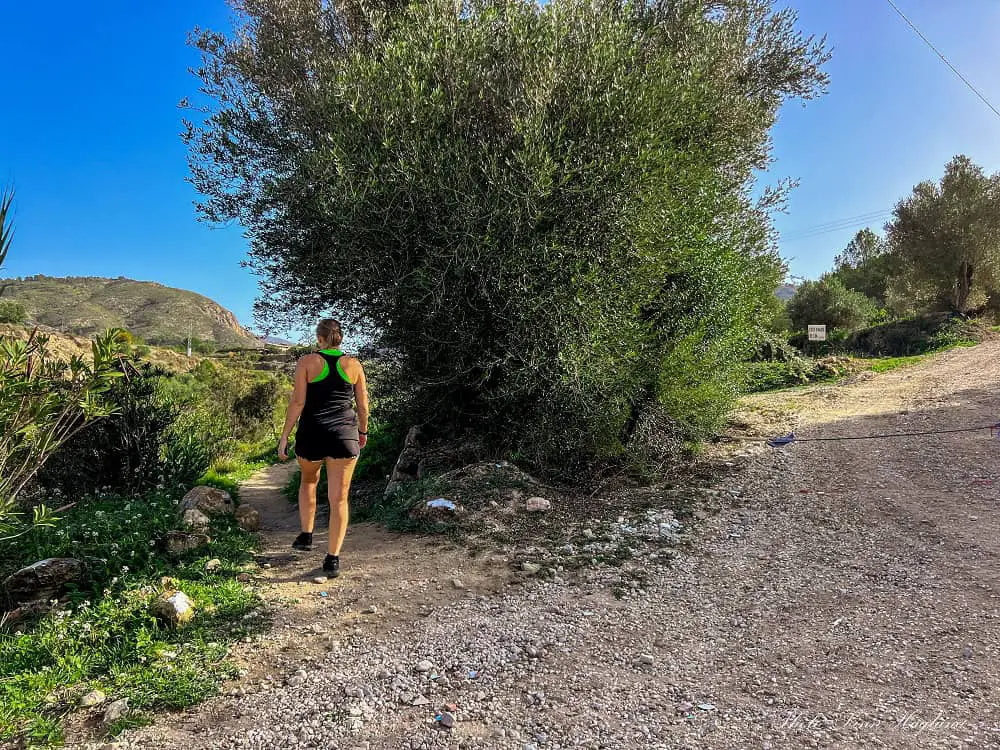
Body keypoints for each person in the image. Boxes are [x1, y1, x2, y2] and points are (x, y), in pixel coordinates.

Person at [278, 319, 369, 577]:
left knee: (308, 482)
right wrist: (362, 432)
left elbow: (297, 403)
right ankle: (332, 559)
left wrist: (284, 436)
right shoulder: (354, 365)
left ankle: (306, 536)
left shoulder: (307, 362)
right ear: (340, 339)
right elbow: (363, 406)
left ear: (319, 338)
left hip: (312, 433)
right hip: (344, 435)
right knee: (339, 498)